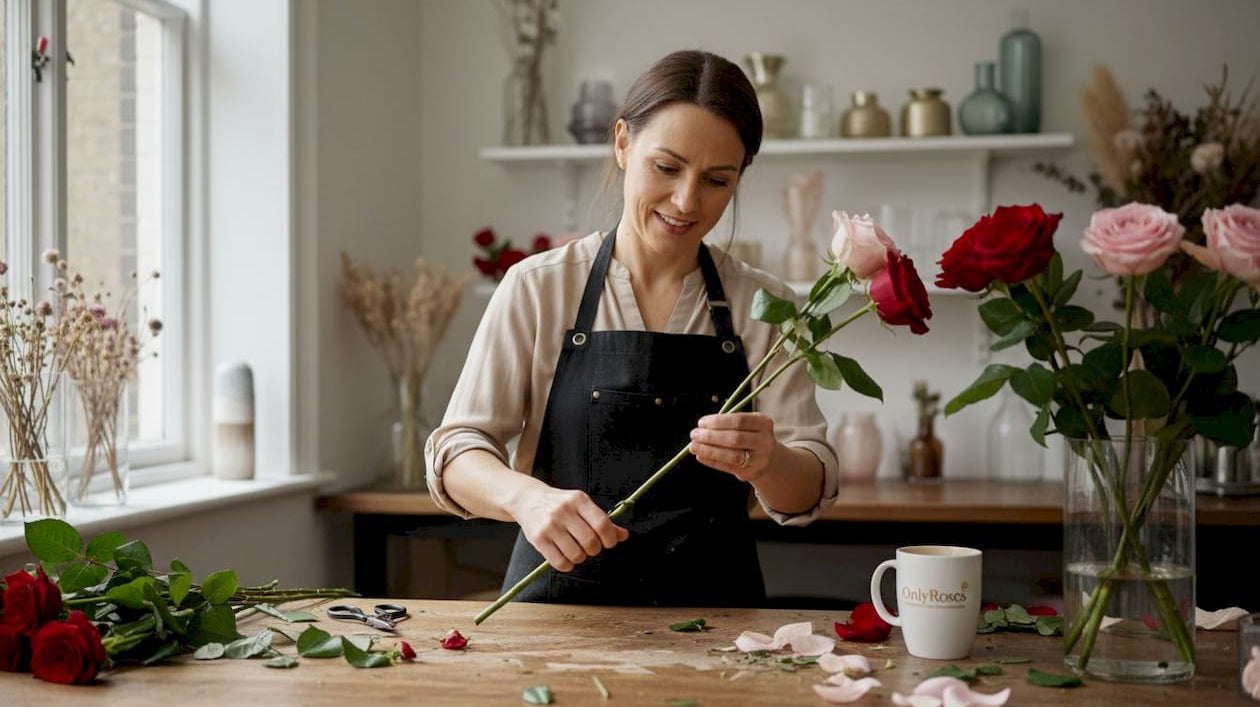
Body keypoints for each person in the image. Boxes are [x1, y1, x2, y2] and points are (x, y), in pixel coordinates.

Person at [424, 49, 838, 607]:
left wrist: (771, 463)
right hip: (557, 619)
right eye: (666, 168)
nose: (687, 201)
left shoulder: (767, 305)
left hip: (717, 623)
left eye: (717, 180)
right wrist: (525, 498)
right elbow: (456, 452)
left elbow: (808, 486)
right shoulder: (538, 287)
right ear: (622, 143)